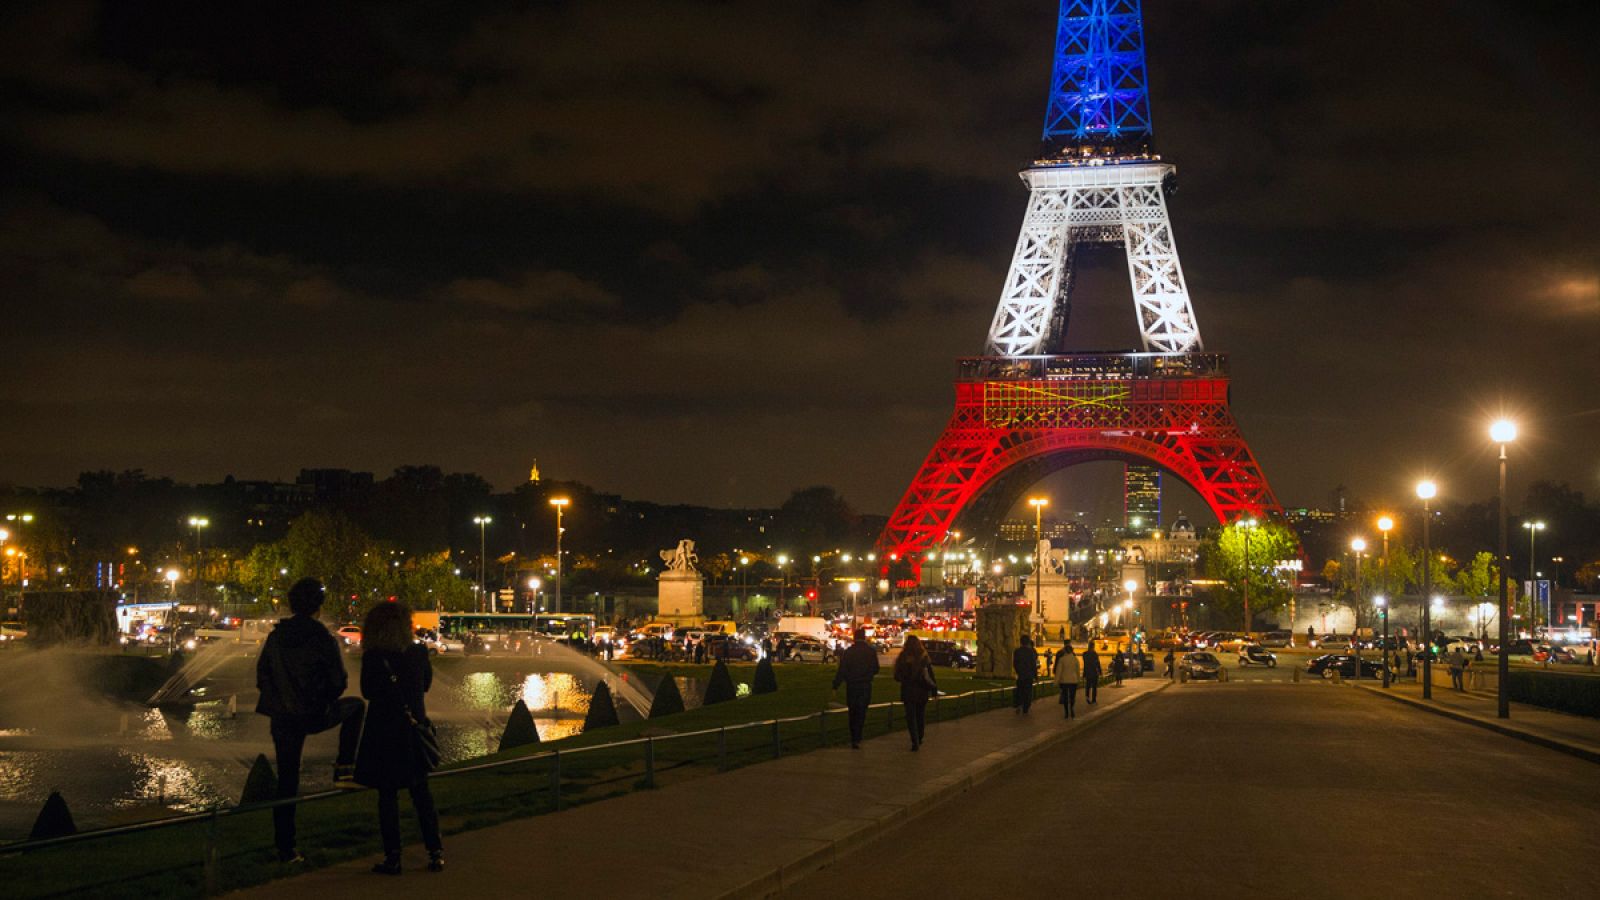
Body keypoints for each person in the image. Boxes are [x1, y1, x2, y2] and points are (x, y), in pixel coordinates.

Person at [255, 577, 366, 864]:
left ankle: (286, 848)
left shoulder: (276, 637)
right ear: (318, 605)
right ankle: (344, 768)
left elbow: (262, 675)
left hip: (282, 717)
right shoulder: (321, 638)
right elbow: (338, 680)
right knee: (356, 707)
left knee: (287, 781)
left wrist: (280, 699)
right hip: (313, 713)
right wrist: (322, 699)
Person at [356, 602, 444, 875]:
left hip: (383, 730)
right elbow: (425, 685)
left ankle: (393, 857)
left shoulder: (373, 656)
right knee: (421, 794)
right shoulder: (418, 653)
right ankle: (435, 852)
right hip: (412, 729)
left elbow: (368, 691)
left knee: (387, 796)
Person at [832, 628, 880, 749]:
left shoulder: (849, 652)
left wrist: (836, 685)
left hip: (852, 686)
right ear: (864, 637)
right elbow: (876, 669)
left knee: (852, 712)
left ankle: (854, 737)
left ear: (854, 637)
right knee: (862, 711)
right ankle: (858, 736)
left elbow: (842, 670)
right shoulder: (871, 651)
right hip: (865, 685)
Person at [892, 635, 937, 751]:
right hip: (922, 691)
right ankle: (920, 736)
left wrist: (904, 678)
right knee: (920, 715)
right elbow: (930, 676)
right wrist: (934, 690)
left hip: (908, 691)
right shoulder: (924, 657)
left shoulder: (903, 657)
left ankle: (914, 740)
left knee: (910, 717)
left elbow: (897, 675)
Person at [1012, 635, 1039, 714]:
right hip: (1029, 675)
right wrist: (1035, 676)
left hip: (1021, 674)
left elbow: (1015, 663)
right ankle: (1026, 707)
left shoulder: (1017, 651)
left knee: (1020, 690)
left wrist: (1018, 671)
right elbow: (1033, 664)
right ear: (1028, 642)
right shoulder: (1030, 652)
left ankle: (1019, 704)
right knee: (1028, 691)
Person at [1055, 640, 1082, 718]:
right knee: (1072, 696)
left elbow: (1059, 671)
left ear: (1065, 651)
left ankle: (1066, 712)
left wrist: (1056, 682)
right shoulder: (1075, 659)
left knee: (1065, 697)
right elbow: (1077, 671)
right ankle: (1072, 708)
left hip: (1064, 681)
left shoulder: (1062, 660)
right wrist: (1078, 680)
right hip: (1073, 681)